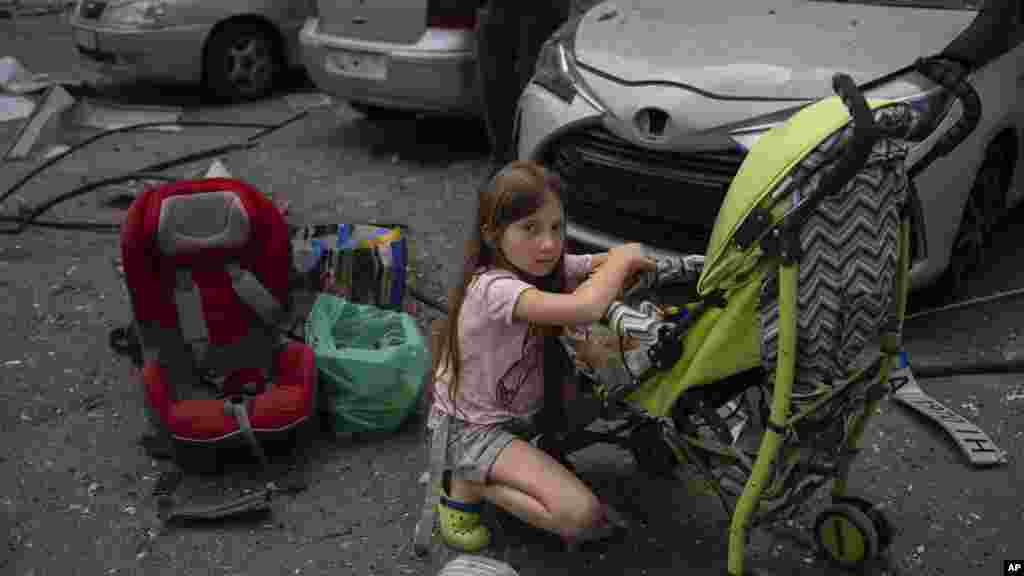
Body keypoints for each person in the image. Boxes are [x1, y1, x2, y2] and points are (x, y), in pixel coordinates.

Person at [427, 160, 657, 552]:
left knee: (605, 398)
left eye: (556, 227)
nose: (549, 244)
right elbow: (585, 307)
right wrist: (622, 258)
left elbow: (584, 266)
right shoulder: (492, 287)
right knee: (581, 516)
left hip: (517, 415)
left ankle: (498, 467)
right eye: (529, 228)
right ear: (492, 235)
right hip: (472, 432)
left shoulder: (534, 265)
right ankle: (465, 484)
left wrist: (622, 260)